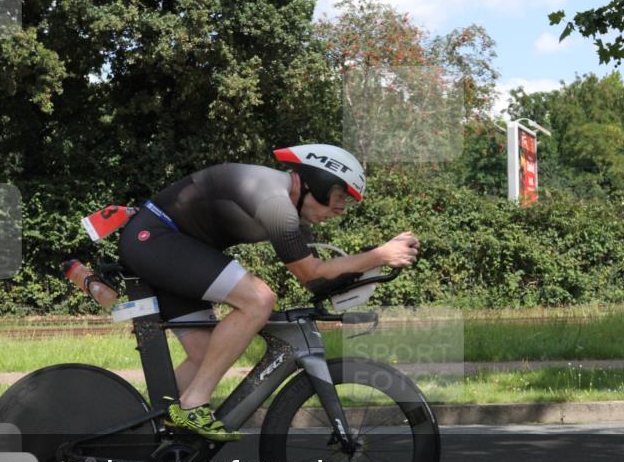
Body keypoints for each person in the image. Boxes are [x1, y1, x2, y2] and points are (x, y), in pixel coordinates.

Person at [118, 144, 419, 441]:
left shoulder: (295, 218)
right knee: (258, 299)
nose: (340, 210)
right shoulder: (276, 204)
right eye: (339, 197)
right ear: (318, 182)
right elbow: (310, 272)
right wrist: (379, 254)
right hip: (155, 238)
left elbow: (317, 281)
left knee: (207, 354)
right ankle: (193, 405)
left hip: (174, 247)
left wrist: (373, 269)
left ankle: (138, 435)